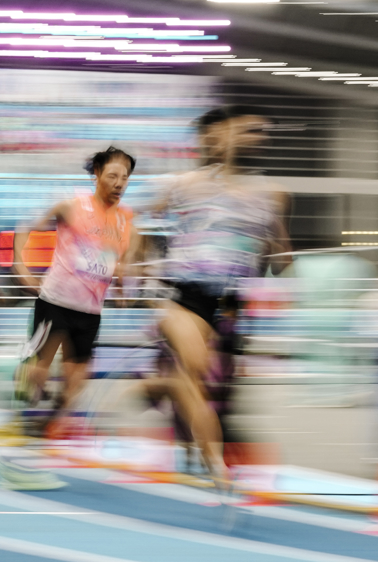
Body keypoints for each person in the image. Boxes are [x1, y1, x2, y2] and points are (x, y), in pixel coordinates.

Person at [145, 105, 291, 484]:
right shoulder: (184, 185)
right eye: (248, 130)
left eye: (262, 132)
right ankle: (209, 463)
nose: (258, 138)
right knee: (193, 376)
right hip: (186, 295)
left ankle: (171, 408)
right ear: (222, 137)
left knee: (214, 386)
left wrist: (277, 254)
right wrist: (142, 268)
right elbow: (144, 226)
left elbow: (279, 258)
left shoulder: (273, 195)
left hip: (231, 305)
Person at [13, 146, 139, 423]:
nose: (119, 183)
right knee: (34, 375)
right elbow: (26, 228)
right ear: (97, 173)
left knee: (76, 385)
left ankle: (50, 425)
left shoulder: (126, 220)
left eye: (125, 178)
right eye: (113, 176)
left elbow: (119, 261)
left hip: (90, 312)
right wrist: (19, 266)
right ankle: (29, 381)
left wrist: (122, 283)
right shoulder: (71, 206)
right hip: (55, 303)